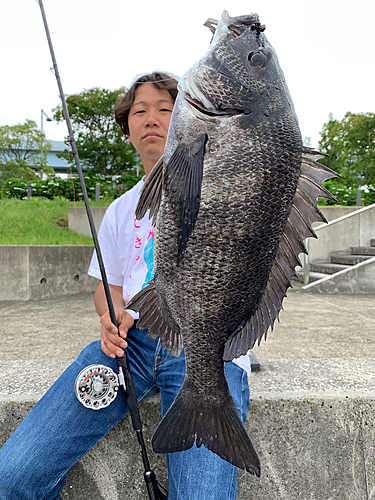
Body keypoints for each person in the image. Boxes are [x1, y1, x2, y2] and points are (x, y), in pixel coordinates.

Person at [0, 71, 251, 500]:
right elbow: (110, 286)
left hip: (205, 349)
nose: (151, 118)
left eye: (165, 109)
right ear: (128, 127)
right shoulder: (120, 209)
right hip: (129, 349)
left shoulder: (225, 191)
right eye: (140, 111)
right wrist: (108, 315)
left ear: (196, 119)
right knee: (14, 476)